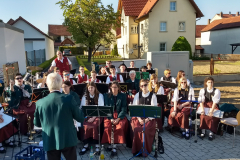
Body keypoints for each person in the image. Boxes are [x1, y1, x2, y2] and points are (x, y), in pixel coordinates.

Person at [34, 73, 84, 160]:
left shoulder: (40, 102)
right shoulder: (69, 99)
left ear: (47, 85)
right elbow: (80, 117)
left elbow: (37, 123)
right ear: (61, 84)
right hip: (68, 138)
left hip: (50, 139)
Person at [101, 81, 128, 157]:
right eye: (113, 87)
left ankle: (115, 146)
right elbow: (107, 108)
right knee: (108, 127)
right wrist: (111, 118)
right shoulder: (107, 96)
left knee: (119, 127)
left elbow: (124, 108)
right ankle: (110, 143)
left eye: (115, 87)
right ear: (110, 88)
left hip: (119, 115)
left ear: (118, 88)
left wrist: (118, 118)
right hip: (110, 115)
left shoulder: (122, 96)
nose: (114, 89)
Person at [131, 79, 157, 157]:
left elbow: (154, 111)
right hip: (139, 117)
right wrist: (139, 119)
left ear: (148, 85)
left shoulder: (153, 96)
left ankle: (145, 150)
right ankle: (137, 150)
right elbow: (135, 109)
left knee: (145, 130)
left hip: (149, 118)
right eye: (142, 86)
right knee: (136, 129)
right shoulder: (137, 95)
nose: (144, 87)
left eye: (145, 85)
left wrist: (146, 120)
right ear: (140, 87)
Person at [79, 82, 104, 155]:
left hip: (98, 115)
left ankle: (96, 144)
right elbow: (82, 107)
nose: (90, 89)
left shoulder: (100, 95)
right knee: (85, 125)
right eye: (89, 87)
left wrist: (93, 118)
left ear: (95, 88)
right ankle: (86, 144)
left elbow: (100, 108)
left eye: (92, 87)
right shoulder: (85, 96)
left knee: (95, 125)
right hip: (87, 115)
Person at [197, 77, 221, 141]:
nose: (210, 83)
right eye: (209, 82)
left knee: (213, 117)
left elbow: (215, 102)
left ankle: (211, 132)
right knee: (203, 116)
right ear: (206, 83)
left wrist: (211, 111)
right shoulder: (202, 90)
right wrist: (202, 110)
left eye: (211, 82)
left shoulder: (216, 91)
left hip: (213, 106)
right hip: (204, 105)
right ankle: (203, 131)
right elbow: (201, 101)